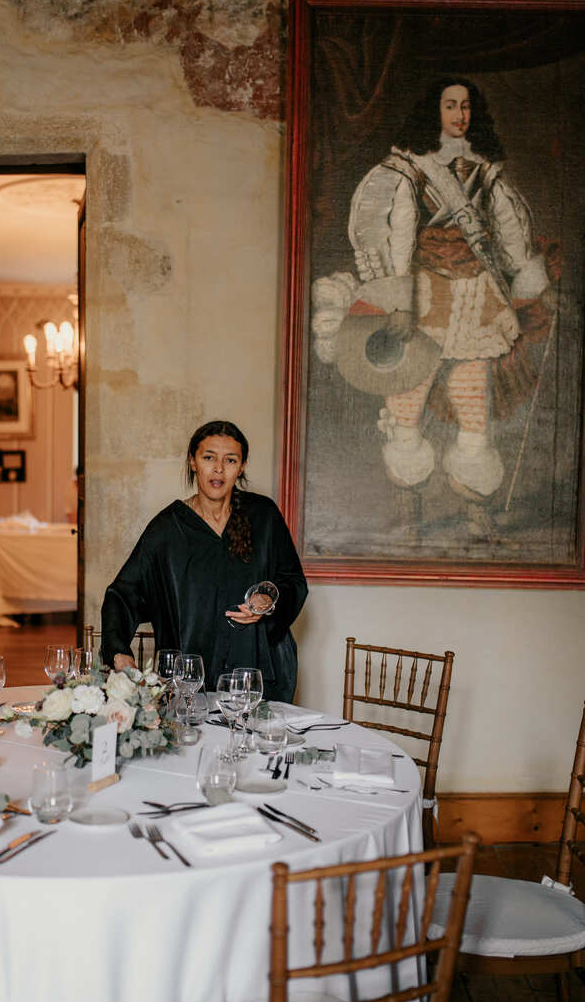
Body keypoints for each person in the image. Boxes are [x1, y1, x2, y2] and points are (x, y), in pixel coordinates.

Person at [314, 78, 552, 499]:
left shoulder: (484, 169)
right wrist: (397, 301)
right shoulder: (407, 169)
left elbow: (511, 232)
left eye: (466, 106)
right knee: (412, 381)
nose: (460, 115)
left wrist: (527, 281)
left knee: (471, 383)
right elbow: (396, 236)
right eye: (450, 106)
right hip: (424, 292)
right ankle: (407, 480)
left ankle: (474, 484)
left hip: (477, 293)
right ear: (433, 111)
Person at [100, 420, 308, 702]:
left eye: (230, 460)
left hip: (256, 672)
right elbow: (123, 593)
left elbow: (292, 580)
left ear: (242, 466)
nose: (219, 469)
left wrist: (268, 600)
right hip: (190, 678)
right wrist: (118, 651)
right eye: (209, 457)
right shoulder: (166, 529)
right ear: (193, 461)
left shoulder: (264, 516)